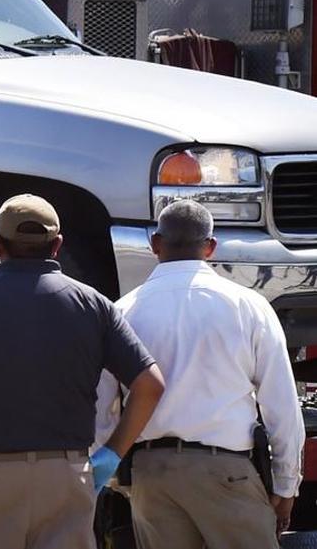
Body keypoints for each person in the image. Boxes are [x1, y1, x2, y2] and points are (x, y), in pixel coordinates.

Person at [0, 193, 165, 549]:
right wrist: (112, 453)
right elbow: (150, 384)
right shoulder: (93, 305)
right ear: (57, 245)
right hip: (67, 479)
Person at [95, 200, 305, 549]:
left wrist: (114, 476)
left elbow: (104, 408)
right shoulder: (248, 306)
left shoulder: (123, 310)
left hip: (152, 473)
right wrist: (286, 485)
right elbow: (281, 405)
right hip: (227, 473)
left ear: (155, 244)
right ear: (210, 247)